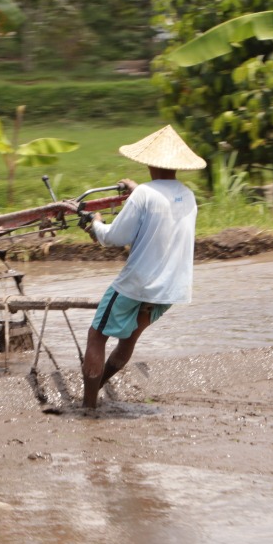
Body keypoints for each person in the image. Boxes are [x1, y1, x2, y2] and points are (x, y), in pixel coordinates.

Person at [77, 124, 204, 409]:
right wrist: (136, 191)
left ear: (149, 161)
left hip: (138, 284)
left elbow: (114, 238)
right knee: (128, 339)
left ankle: (87, 408)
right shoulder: (187, 195)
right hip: (171, 289)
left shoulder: (145, 194)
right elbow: (162, 207)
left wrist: (95, 223)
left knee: (97, 336)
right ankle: (97, 389)